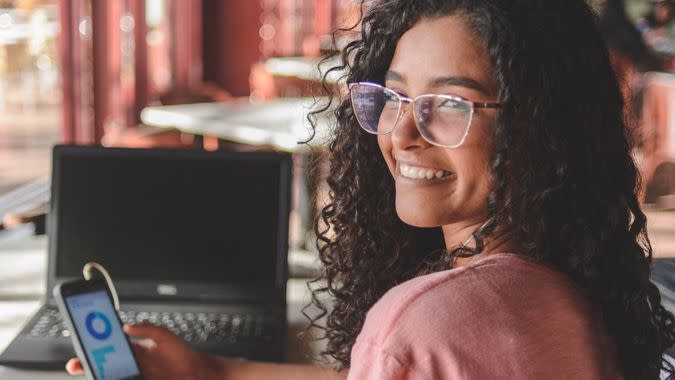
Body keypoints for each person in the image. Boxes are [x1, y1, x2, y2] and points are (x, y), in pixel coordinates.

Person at [66, 0, 675, 379]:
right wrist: (211, 372)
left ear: (541, 125)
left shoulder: (423, 322)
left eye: (448, 104)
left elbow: (405, 355)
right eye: (393, 97)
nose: (402, 133)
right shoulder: (572, 287)